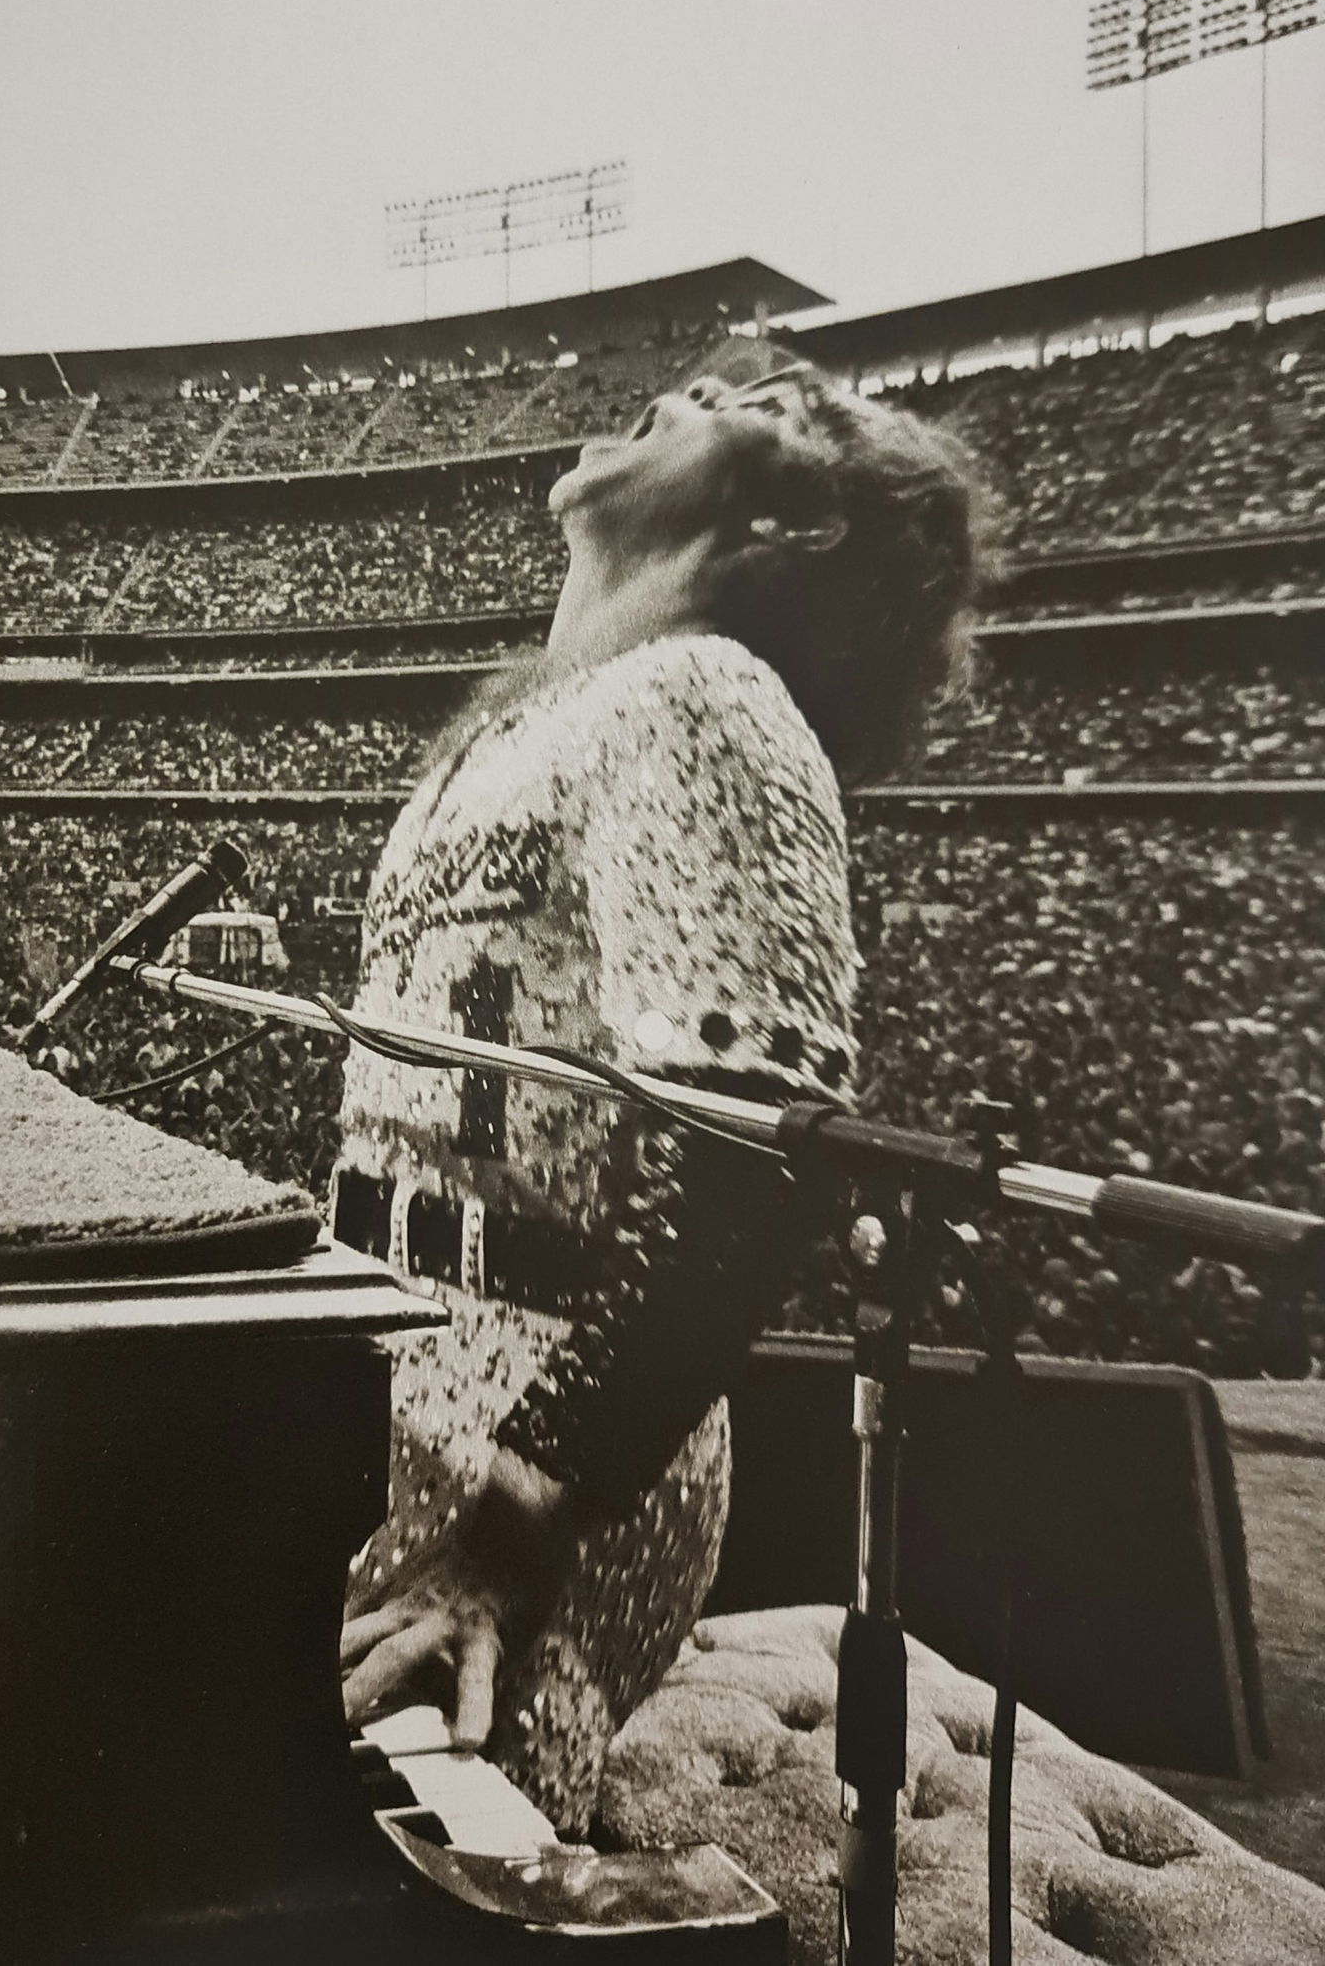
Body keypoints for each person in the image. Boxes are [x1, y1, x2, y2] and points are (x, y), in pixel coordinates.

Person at [331, 361, 997, 1833]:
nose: (686, 381)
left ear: (797, 518)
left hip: (528, 1482)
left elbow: (747, 1165)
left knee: (435, 1863)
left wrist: (511, 1536)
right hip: (404, 1420)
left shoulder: (706, 698)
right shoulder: (519, 725)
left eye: (753, 391)